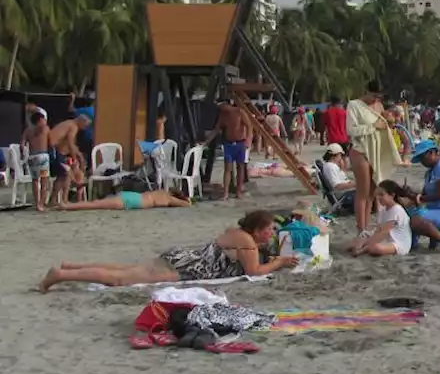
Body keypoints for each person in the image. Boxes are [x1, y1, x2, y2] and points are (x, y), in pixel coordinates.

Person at [39, 210, 297, 291]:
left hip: (183, 257)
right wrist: (279, 262)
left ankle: (71, 267)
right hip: (186, 268)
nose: (272, 234)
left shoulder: (236, 231)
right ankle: (60, 275)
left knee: (127, 269)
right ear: (258, 229)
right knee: (121, 279)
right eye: (270, 230)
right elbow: (254, 271)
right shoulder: (248, 243)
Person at [348, 81, 396, 236]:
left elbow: (383, 125)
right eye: (374, 96)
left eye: (379, 97)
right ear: (366, 91)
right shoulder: (354, 105)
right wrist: (373, 126)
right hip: (360, 150)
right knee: (362, 192)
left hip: (376, 151)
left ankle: (366, 227)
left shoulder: (379, 105)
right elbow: (351, 130)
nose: (376, 99)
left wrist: (389, 121)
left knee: (372, 193)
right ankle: (360, 228)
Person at [349, 181, 414, 257]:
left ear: (392, 195)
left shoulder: (396, 210)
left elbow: (383, 232)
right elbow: (379, 229)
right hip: (387, 239)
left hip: (398, 243)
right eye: (377, 195)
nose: (378, 198)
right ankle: (364, 246)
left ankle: (364, 249)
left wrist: (363, 246)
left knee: (374, 248)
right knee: (353, 243)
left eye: (381, 195)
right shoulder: (383, 209)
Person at [208, 99, 250, 200]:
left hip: (240, 143)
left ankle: (238, 191)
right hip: (228, 144)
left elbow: (249, 126)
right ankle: (225, 193)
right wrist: (207, 141)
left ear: (226, 105)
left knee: (240, 168)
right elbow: (216, 130)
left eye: (221, 106)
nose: (220, 109)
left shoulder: (240, 112)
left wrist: (248, 141)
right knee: (227, 169)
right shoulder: (223, 115)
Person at [21, 109, 52, 211]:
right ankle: (42, 204)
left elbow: (22, 145)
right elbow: (51, 143)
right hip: (43, 157)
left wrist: (23, 154)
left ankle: (37, 202)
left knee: (35, 180)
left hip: (32, 157)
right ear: (40, 120)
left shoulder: (27, 130)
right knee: (44, 181)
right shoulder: (45, 129)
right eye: (43, 119)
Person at [58, 189, 192, 211]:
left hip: (132, 196)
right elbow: (187, 205)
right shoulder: (168, 199)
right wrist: (187, 199)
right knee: (94, 205)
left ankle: (69, 205)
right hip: (133, 202)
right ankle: (67, 206)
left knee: (95, 203)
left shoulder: (162, 191)